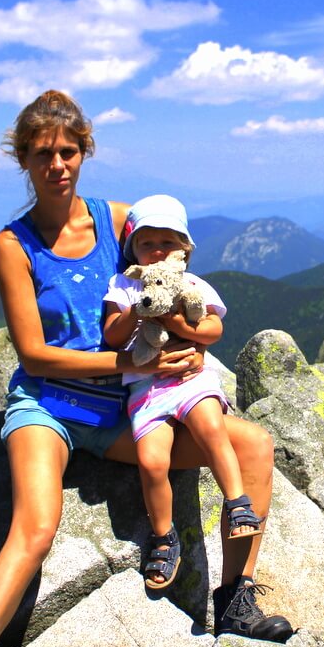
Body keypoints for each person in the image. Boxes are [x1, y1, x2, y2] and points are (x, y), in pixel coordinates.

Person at [0, 90, 293, 647]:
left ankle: (235, 599)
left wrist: (187, 344)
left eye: (68, 150)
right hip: (49, 407)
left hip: (121, 410)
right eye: (42, 153)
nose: (58, 164)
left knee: (254, 446)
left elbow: (167, 280)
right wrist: (131, 361)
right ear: (22, 159)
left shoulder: (118, 221)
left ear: (84, 152)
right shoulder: (13, 244)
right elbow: (34, 354)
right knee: (34, 527)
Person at [102, 194, 262, 590]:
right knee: (151, 460)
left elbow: (213, 329)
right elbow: (111, 335)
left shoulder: (192, 285)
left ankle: (238, 504)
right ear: (133, 252)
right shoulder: (125, 285)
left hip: (191, 380)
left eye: (167, 242)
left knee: (211, 428)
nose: (157, 251)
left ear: (184, 250)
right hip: (146, 389)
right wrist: (139, 309)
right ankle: (163, 534)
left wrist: (172, 317)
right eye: (146, 243)